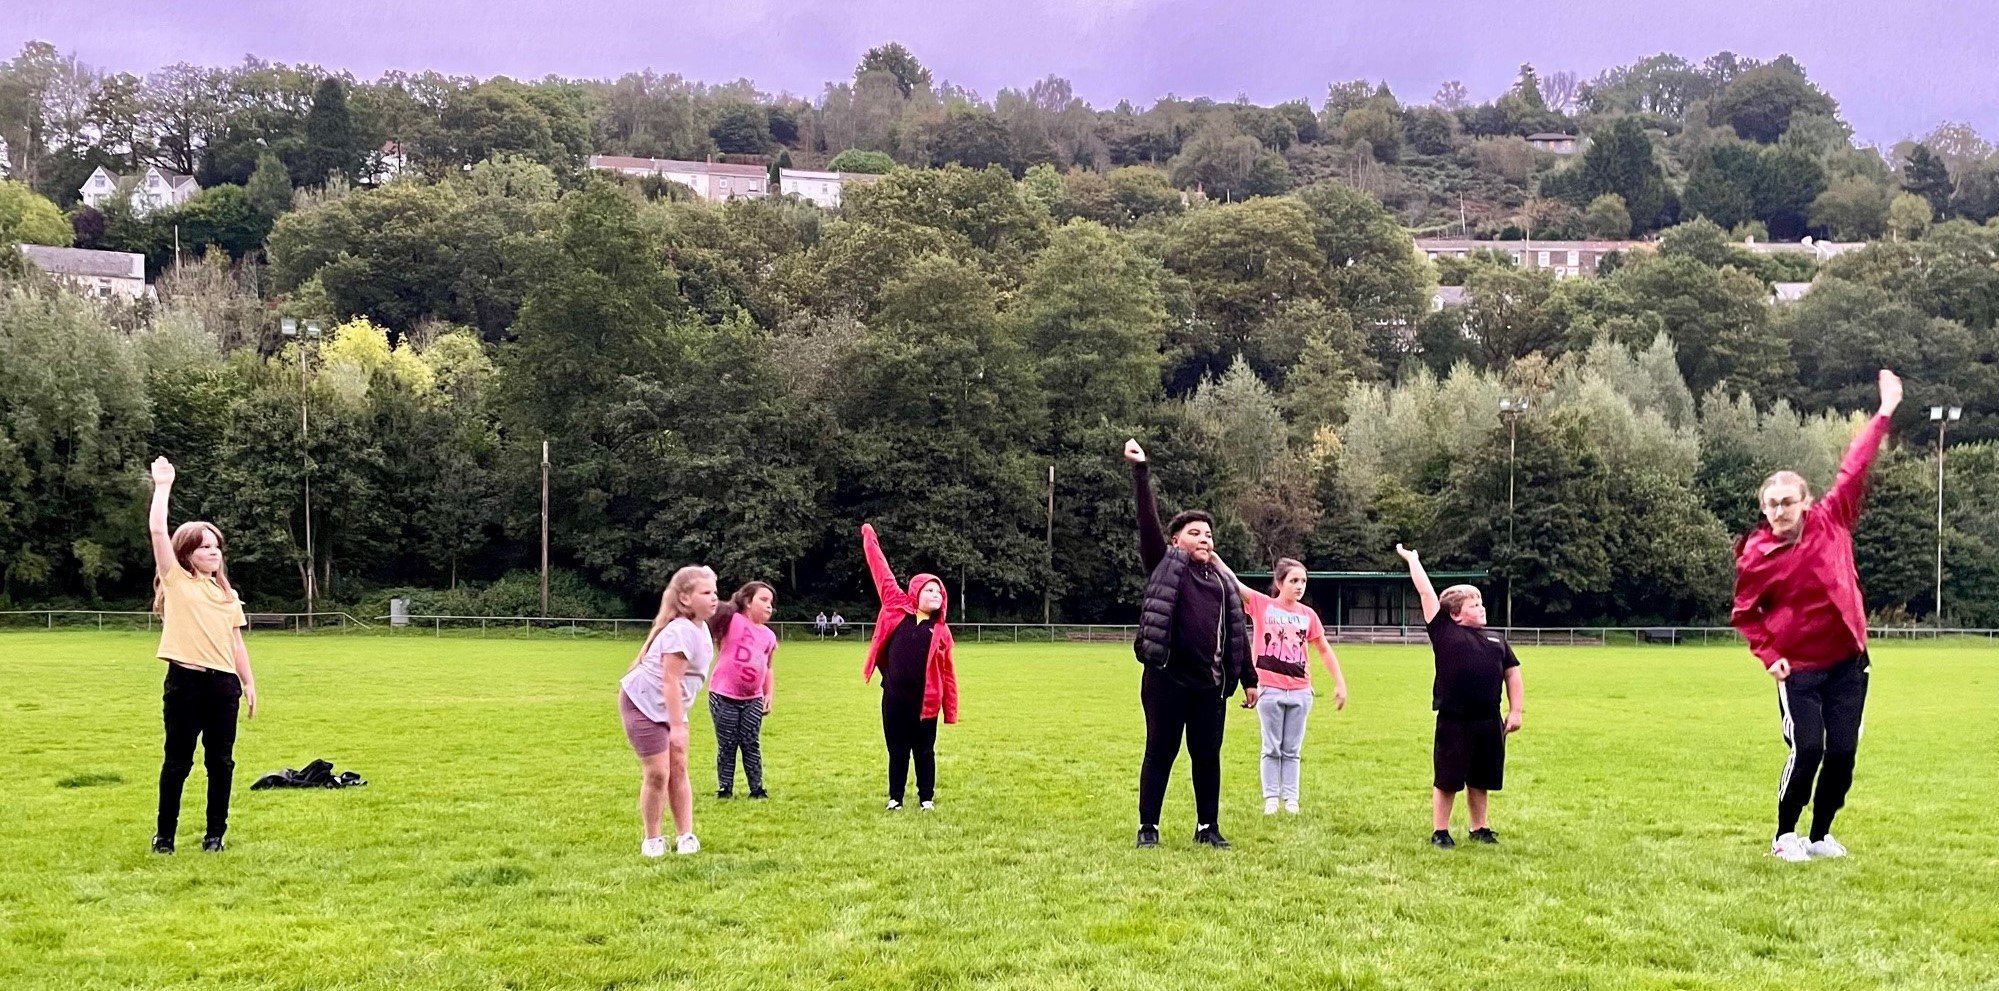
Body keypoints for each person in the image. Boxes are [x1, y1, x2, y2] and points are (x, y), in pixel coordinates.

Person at [1732, 369, 1901, 863]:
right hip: (1799, 669)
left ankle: (1820, 834)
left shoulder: (1833, 519)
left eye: (1788, 501)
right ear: (1764, 509)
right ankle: (1785, 835)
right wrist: (1769, 655)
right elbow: (1745, 613)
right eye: (1772, 504)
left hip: (1849, 663)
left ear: (1805, 502)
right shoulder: (1757, 556)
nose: (1780, 510)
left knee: (1843, 754)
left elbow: (1854, 466)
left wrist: (1885, 410)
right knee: (1808, 750)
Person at [1124, 440, 1258, 849]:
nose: (1205, 538)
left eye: (1208, 534)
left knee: (1207, 758)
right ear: (1177, 540)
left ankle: (1207, 828)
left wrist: (1249, 677)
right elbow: (1148, 524)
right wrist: (1142, 472)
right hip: (1167, 681)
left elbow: (1236, 632)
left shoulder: (1221, 582)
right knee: (1160, 754)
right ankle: (1149, 827)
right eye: (1195, 533)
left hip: (1210, 686)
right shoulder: (1165, 566)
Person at [147, 456, 259, 855]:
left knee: (221, 763)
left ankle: (215, 837)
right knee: (177, 762)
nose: (213, 552)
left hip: (222, 686)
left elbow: (236, 643)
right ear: (188, 553)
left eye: (216, 546)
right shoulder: (177, 582)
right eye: (205, 547)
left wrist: (248, 682)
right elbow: (158, 530)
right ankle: (165, 838)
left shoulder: (228, 596)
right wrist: (163, 486)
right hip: (186, 683)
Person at [1396, 543, 1523, 849]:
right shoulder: (1444, 632)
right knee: (1449, 777)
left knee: (1481, 778)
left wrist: (1516, 711)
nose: (1480, 607)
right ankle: (1440, 831)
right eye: (1473, 604)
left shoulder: (1496, 639)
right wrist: (1414, 560)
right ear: (1454, 614)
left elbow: (1513, 674)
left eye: (1481, 602)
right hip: (1455, 718)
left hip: (1489, 719)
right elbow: (1427, 594)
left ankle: (1479, 827)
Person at [1212, 555, 1348, 815]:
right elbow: (1233, 582)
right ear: (1279, 582)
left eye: (1303, 581)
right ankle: (1272, 798)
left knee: (1292, 749)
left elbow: (1324, 649)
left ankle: (1292, 799)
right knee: (1272, 746)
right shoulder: (1262, 605)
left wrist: (1340, 682)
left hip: (1300, 691)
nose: (1299, 586)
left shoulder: (1308, 616)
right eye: (1294, 580)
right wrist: (1215, 557)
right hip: (1270, 689)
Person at [619, 565, 719, 857]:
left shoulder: (700, 626)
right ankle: (652, 839)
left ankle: (685, 835)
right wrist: (677, 726)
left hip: (670, 706)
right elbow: (670, 680)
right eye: (706, 592)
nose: (714, 598)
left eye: (715, 591)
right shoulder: (680, 632)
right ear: (685, 599)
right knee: (658, 773)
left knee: (679, 767)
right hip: (644, 704)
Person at [859, 523, 959, 810]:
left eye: (939, 592)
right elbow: (880, 570)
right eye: (930, 590)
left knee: (925, 751)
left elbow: (948, 676)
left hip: (926, 704)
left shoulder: (941, 632)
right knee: (897, 750)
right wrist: (869, 536)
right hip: (894, 698)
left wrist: (950, 711)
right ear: (916, 591)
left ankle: (926, 798)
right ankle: (895, 798)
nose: (936, 595)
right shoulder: (894, 605)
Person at [708, 581, 778, 800]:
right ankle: (725, 788)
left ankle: (756, 789)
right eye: (763, 600)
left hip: (753, 699)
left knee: (751, 743)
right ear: (748, 602)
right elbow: (711, 610)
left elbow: (768, 667)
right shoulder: (733, 620)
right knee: (727, 744)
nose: (769, 606)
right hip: (723, 695)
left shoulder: (769, 636)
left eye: (771, 603)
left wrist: (768, 694)